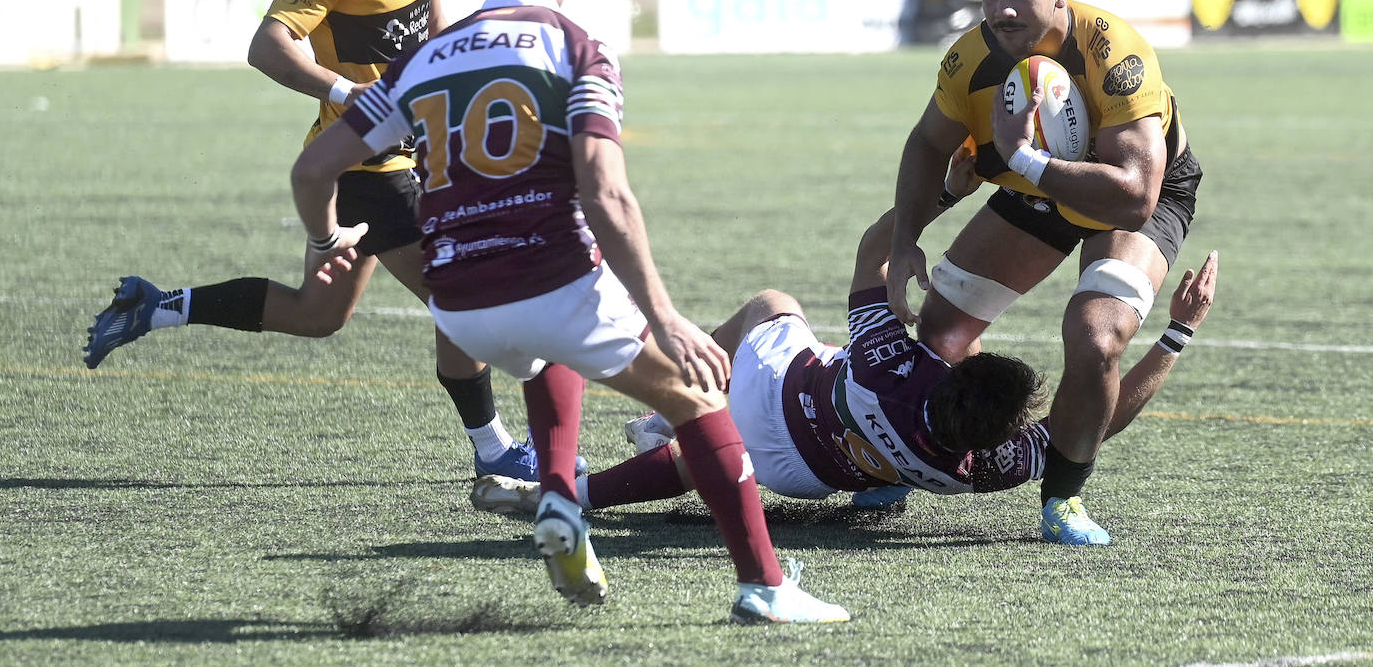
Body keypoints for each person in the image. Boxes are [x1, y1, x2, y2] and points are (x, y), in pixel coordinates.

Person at [290, 0, 849, 623]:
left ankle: (557, 492)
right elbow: (606, 193)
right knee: (698, 400)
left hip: (456, 310)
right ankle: (766, 588)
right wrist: (666, 316)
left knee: (543, 349)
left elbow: (312, 169)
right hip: (550, 281)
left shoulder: (423, 59)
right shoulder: (578, 46)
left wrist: (328, 241)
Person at [81, 0, 554, 483]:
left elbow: (432, 36)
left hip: (410, 156)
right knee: (461, 298)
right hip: (368, 166)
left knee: (317, 313)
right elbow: (266, 46)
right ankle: (495, 454)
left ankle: (157, 306)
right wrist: (341, 90)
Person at [468, 209, 1218, 520]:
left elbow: (870, 252)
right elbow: (1093, 423)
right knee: (714, 467)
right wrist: (1175, 336)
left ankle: (674, 407)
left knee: (772, 302)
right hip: (800, 480)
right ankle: (581, 496)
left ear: (954, 372)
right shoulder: (985, 468)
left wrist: (930, 202)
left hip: (782, 388)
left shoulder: (895, 361)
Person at [886, 0, 1204, 545]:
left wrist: (1027, 160)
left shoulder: (1116, 52)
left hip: (1134, 195)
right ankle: (952, 456)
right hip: (1037, 192)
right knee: (942, 332)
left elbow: (1135, 198)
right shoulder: (971, 57)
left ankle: (1062, 495)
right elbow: (926, 145)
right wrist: (902, 246)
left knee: (1095, 334)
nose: (1003, 9)